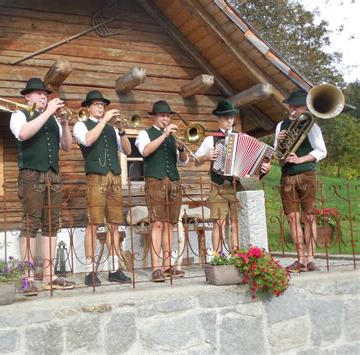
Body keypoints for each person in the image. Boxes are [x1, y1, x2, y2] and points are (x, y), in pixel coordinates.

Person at [10, 78, 76, 294]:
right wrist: (47, 112)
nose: (42, 96)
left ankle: (50, 275)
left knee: (51, 224)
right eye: (37, 93)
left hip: (53, 175)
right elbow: (23, 134)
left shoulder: (54, 120)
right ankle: (26, 277)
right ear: (26, 97)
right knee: (30, 223)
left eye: (44, 94)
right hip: (31, 174)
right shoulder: (19, 114)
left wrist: (65, 123)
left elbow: (67, 146)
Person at [194, 100, 270, 254]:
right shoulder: (211, 139)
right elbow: (196, 160)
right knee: (219, 223)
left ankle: (236, 255)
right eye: (226, 117)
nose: (229, 120)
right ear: (218, 119)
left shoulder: (242, 137)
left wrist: (264, 167)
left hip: (237, 186)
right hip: (219, 186)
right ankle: (217, 257)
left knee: (235, 223)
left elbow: (257, 160)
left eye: (231, 117)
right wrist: (206, 156)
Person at [73, 90, 132, 286]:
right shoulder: (81, 125)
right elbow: (88, 140)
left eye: (102, 104)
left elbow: (128, 150)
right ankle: (90, 271)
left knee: (114, 223)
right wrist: (104, 121)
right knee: (93, 223)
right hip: (96, 177)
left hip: (114, 177)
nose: (100, 107)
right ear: (88, 107)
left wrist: (122, 131)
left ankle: (114, 268)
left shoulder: (111, 129)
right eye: (96, 104)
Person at [135, 100, 188, 282]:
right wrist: (165, 135)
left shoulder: (174, 136)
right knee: (157, 223)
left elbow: (183, 161)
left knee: (169, 224)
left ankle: (168, 266)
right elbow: (145, 151)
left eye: (168, 116)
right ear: (154, 117)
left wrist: (181, 148)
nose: (166, 118)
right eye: (162, 115)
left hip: (173, 181)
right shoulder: (145, 133)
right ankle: (156, 267)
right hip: (155, 181)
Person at [275, 89, 327, 272]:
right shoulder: (281, 125)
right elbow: (278, 154)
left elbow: (321, 151)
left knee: (309, 217)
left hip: (306, 173)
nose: (292, 109)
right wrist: (280, 141)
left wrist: (300, 159)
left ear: (305, 107)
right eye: (291, 106)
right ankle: (299, 259)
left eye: (296, 106)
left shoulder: (312, 125)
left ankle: (310, 259)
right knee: (292, 218)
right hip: (287, 175)